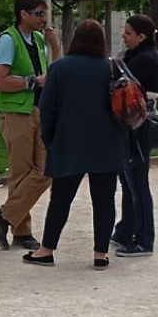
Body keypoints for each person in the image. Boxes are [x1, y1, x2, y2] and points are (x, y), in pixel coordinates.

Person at [25, 20, 128, 269]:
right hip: (108, 141)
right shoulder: (113, 67)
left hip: (69, 141)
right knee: (104, 199)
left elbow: (47, 108)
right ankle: (100, 253)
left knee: (61, 198)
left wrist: (50, 139)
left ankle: (46, 249)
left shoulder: (60, 68)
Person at [0, 0, 61, 252]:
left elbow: (54, 72)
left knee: (47, 169)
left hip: (39, 109)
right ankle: (22, 231)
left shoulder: (39, 39)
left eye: (44, 13)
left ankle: (4, 216)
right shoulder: (8, 40)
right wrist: (33, 82)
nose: (43, 18)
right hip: (16, 112)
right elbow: (0, 81)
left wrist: (56, 47)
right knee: (21, 172)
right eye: (38, 13)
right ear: (23, 14)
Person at [111, 14, 158, 258]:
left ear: (141, 36)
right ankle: (126, 230)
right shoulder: (141, 55)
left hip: (138, 126)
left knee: (137, 183)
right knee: (129, 181)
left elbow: (119, 86)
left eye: (128, 32)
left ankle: (143, 239)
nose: (124, 36)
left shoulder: (144, 59)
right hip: (134, 125)